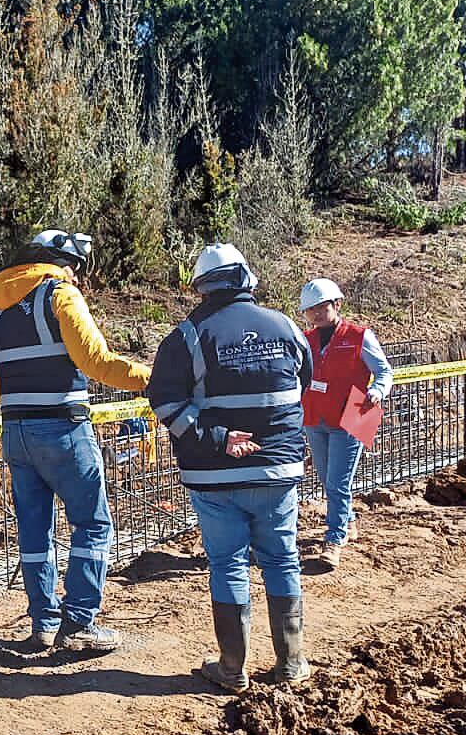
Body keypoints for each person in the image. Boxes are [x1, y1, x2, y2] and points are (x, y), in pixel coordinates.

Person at [147, 243, 314, 690]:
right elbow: (302, 385)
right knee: (282, 560)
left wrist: (218, 439)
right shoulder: (285, 327)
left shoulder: (187, 336)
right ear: (246, 279)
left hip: (214, 475)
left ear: (201, 286)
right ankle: (291, 664)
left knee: (227, 564)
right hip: (277, 470)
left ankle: (232, 668)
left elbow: (163, 400)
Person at [0, 229, 151, 653]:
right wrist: (152, 377)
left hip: (15, 431)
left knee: (35, 532)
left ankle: (43, 623)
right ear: (60, 262)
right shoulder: (59, 295)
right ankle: (79, 624)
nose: (76, 275)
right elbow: (97, 362)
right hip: (62, 428)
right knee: (92, 523)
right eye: (73, 266)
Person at [298, 278, 394, 570]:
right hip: (316, 417)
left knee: (338, 483)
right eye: (309, 309)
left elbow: (383, 371)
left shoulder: (359, 336)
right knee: (329, 480)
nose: (315, 314)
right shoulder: (306, 340)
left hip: (351, 414)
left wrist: (377, 391)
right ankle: (349, 522)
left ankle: (335, 538)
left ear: (336, 305)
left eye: (320, 307)